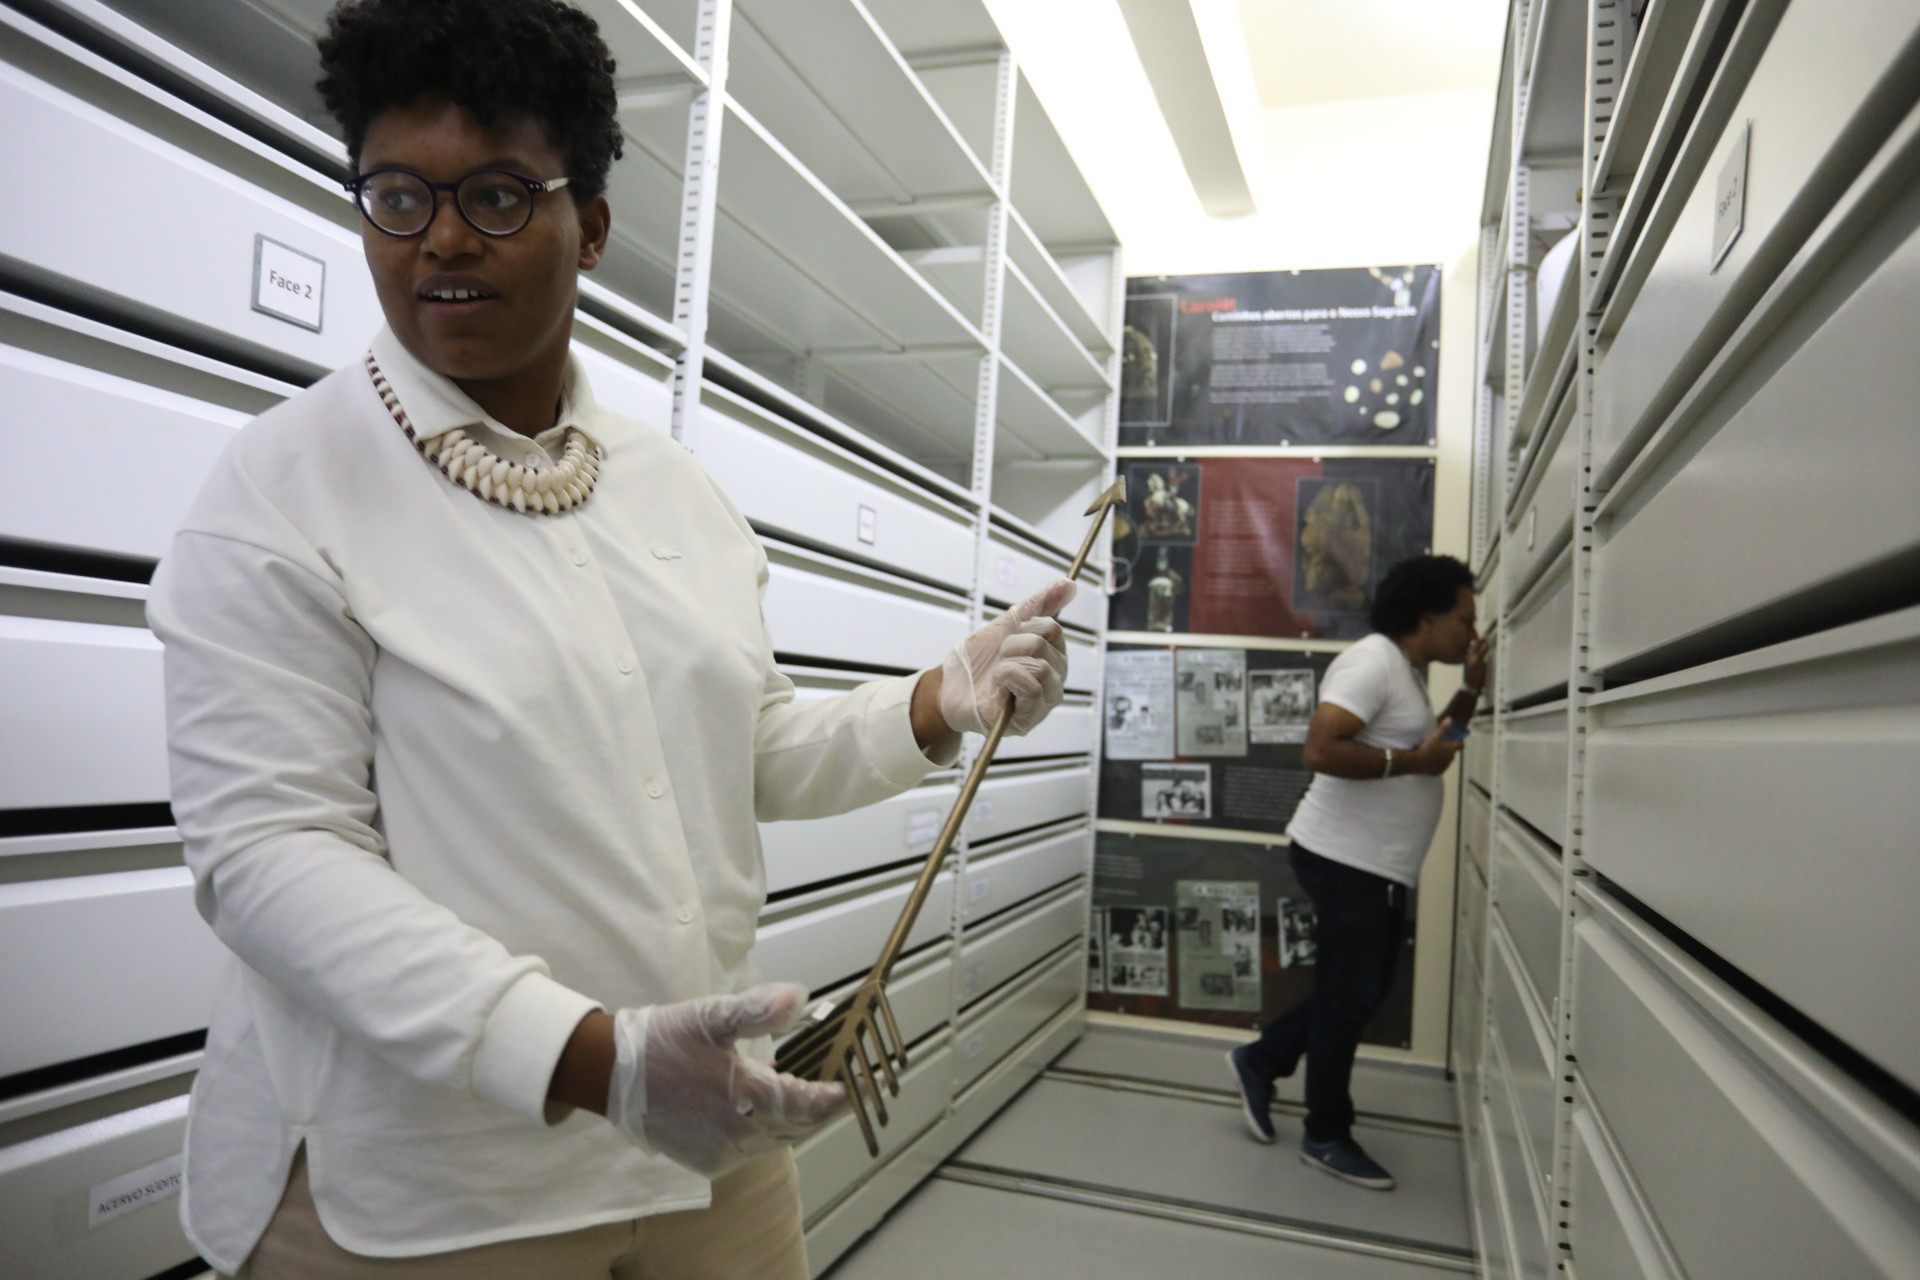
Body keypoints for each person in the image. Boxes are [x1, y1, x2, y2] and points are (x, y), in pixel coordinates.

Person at [146, 2, 1074, 1275]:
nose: (444, 242)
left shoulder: (667, 485)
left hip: (703, 1149)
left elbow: (742, 747)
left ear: (590, 226)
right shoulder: (279, 491)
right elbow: (269, 857)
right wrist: (600, 1061)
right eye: (398, 197)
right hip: (431, 1186)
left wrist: (933, 700)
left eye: (500, 194)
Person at [1225, 554, 1488, 1190]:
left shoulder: (1407, 671)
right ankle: (1325, 1133)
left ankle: (1261, 1060)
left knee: (1357, 992)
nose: (1471, 633)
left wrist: (1474, 686)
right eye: (1464, 618)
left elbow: (1430, 752)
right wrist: (1408, 765)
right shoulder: (1373, 663)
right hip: (1345, 859)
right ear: (1426, 618)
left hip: (1373, 864)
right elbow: (1322, 748)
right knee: (1350, 997)